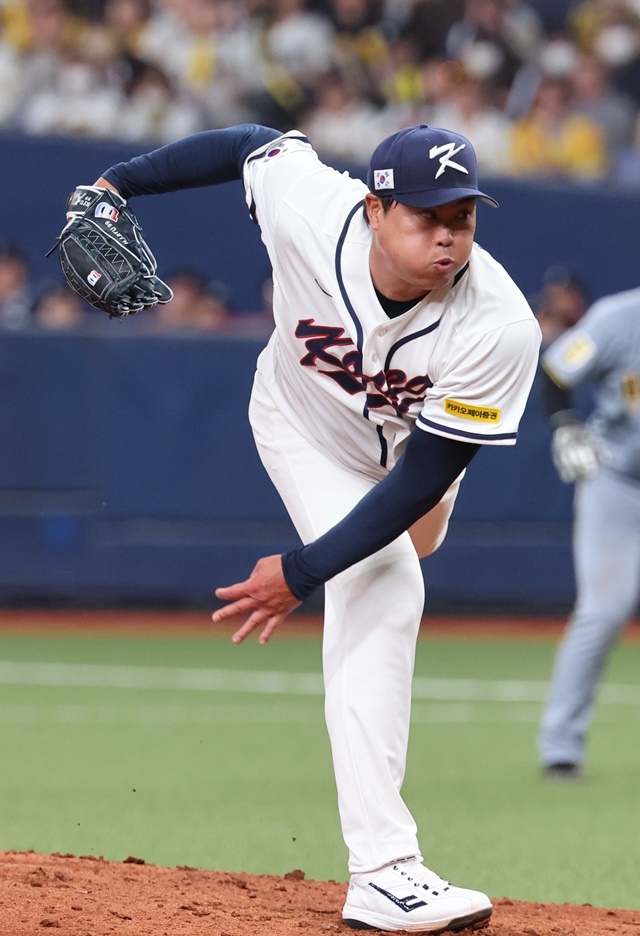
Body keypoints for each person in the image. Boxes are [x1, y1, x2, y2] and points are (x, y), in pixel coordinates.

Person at [86, 121, 541, 932]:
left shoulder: (500, 323)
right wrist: (119, 183)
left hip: (411, 464)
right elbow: (246, 144)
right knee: (388, 583)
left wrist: (301, 571)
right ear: (374, 208)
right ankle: (384, 871)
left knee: (404, 549)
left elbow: (426, 480)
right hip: (303, 426)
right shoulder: (308, 205)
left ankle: (384, 867)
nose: (447, 235)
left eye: (462, 217)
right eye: (425, 215)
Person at [537, 286, 640, 782]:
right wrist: (563, 425)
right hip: (617, 482)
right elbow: (556, 372)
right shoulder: (619, 317)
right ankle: (561, 746)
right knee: (602, 611)